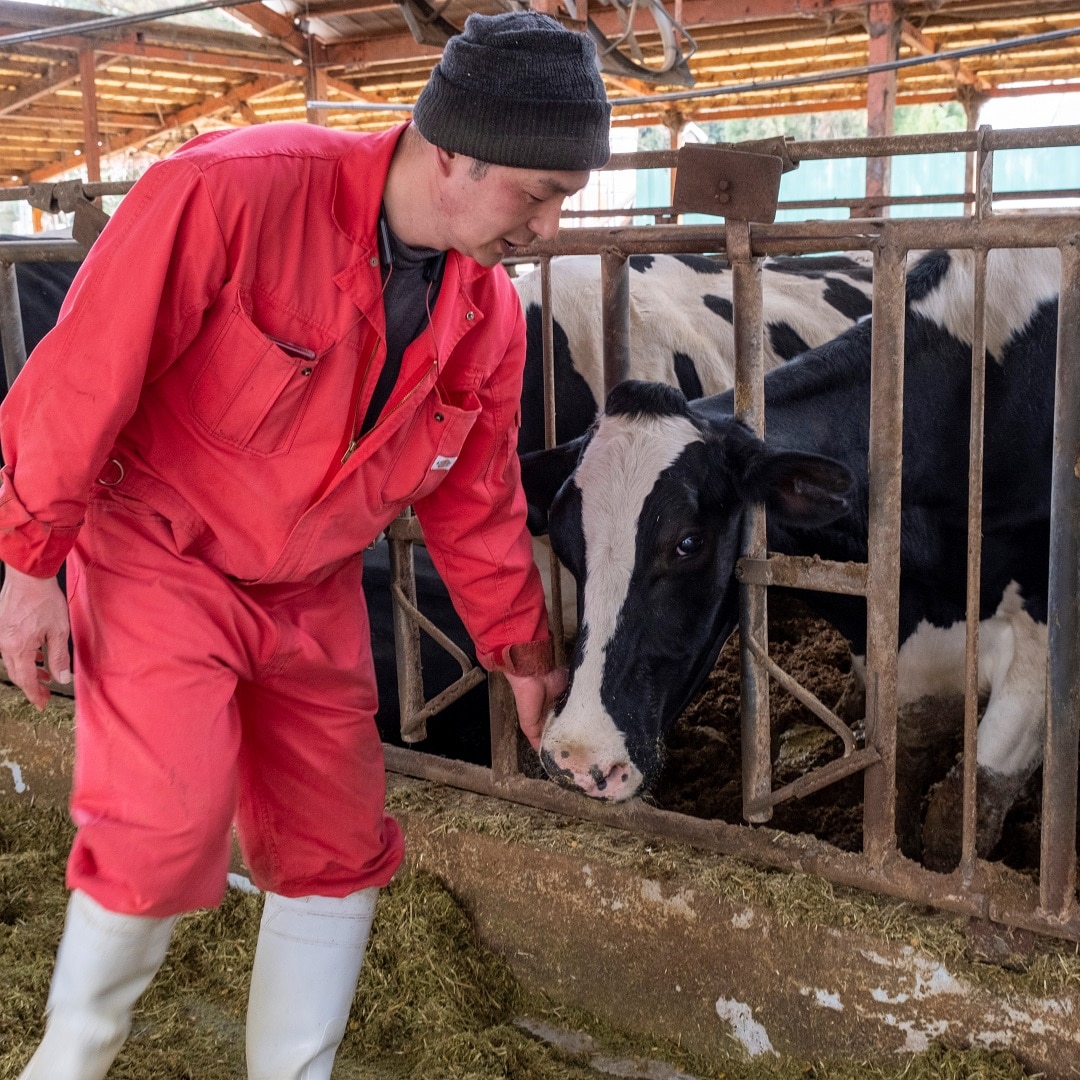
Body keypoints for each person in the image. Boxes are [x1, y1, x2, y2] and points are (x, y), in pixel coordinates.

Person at [0, 11, 609, 1079]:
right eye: (540, 193)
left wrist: (520, 646)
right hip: (160, 553)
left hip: (313, 583)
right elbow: (83, 375)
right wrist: (29, 563)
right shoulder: (234, 190)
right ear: (453, 150)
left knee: (338, 847)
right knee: (161, 829)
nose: (551, 228)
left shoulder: (487, 316)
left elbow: (475, 496)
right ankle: (70, 1063)